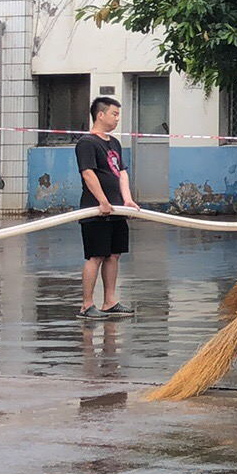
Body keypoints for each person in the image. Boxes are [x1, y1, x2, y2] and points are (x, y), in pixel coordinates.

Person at [76, 96, 140, 320]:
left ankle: (110, 302)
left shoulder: (114, 142)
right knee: (96, 256)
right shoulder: (87, 143)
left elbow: (121, 172)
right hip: (96, 210)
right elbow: (88, 173)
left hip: (116, 210)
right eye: (114, 114)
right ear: (100, 115)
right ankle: (86, 305)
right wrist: (102, 201)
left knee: (114, 255)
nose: (117, 118)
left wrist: (127, 200)